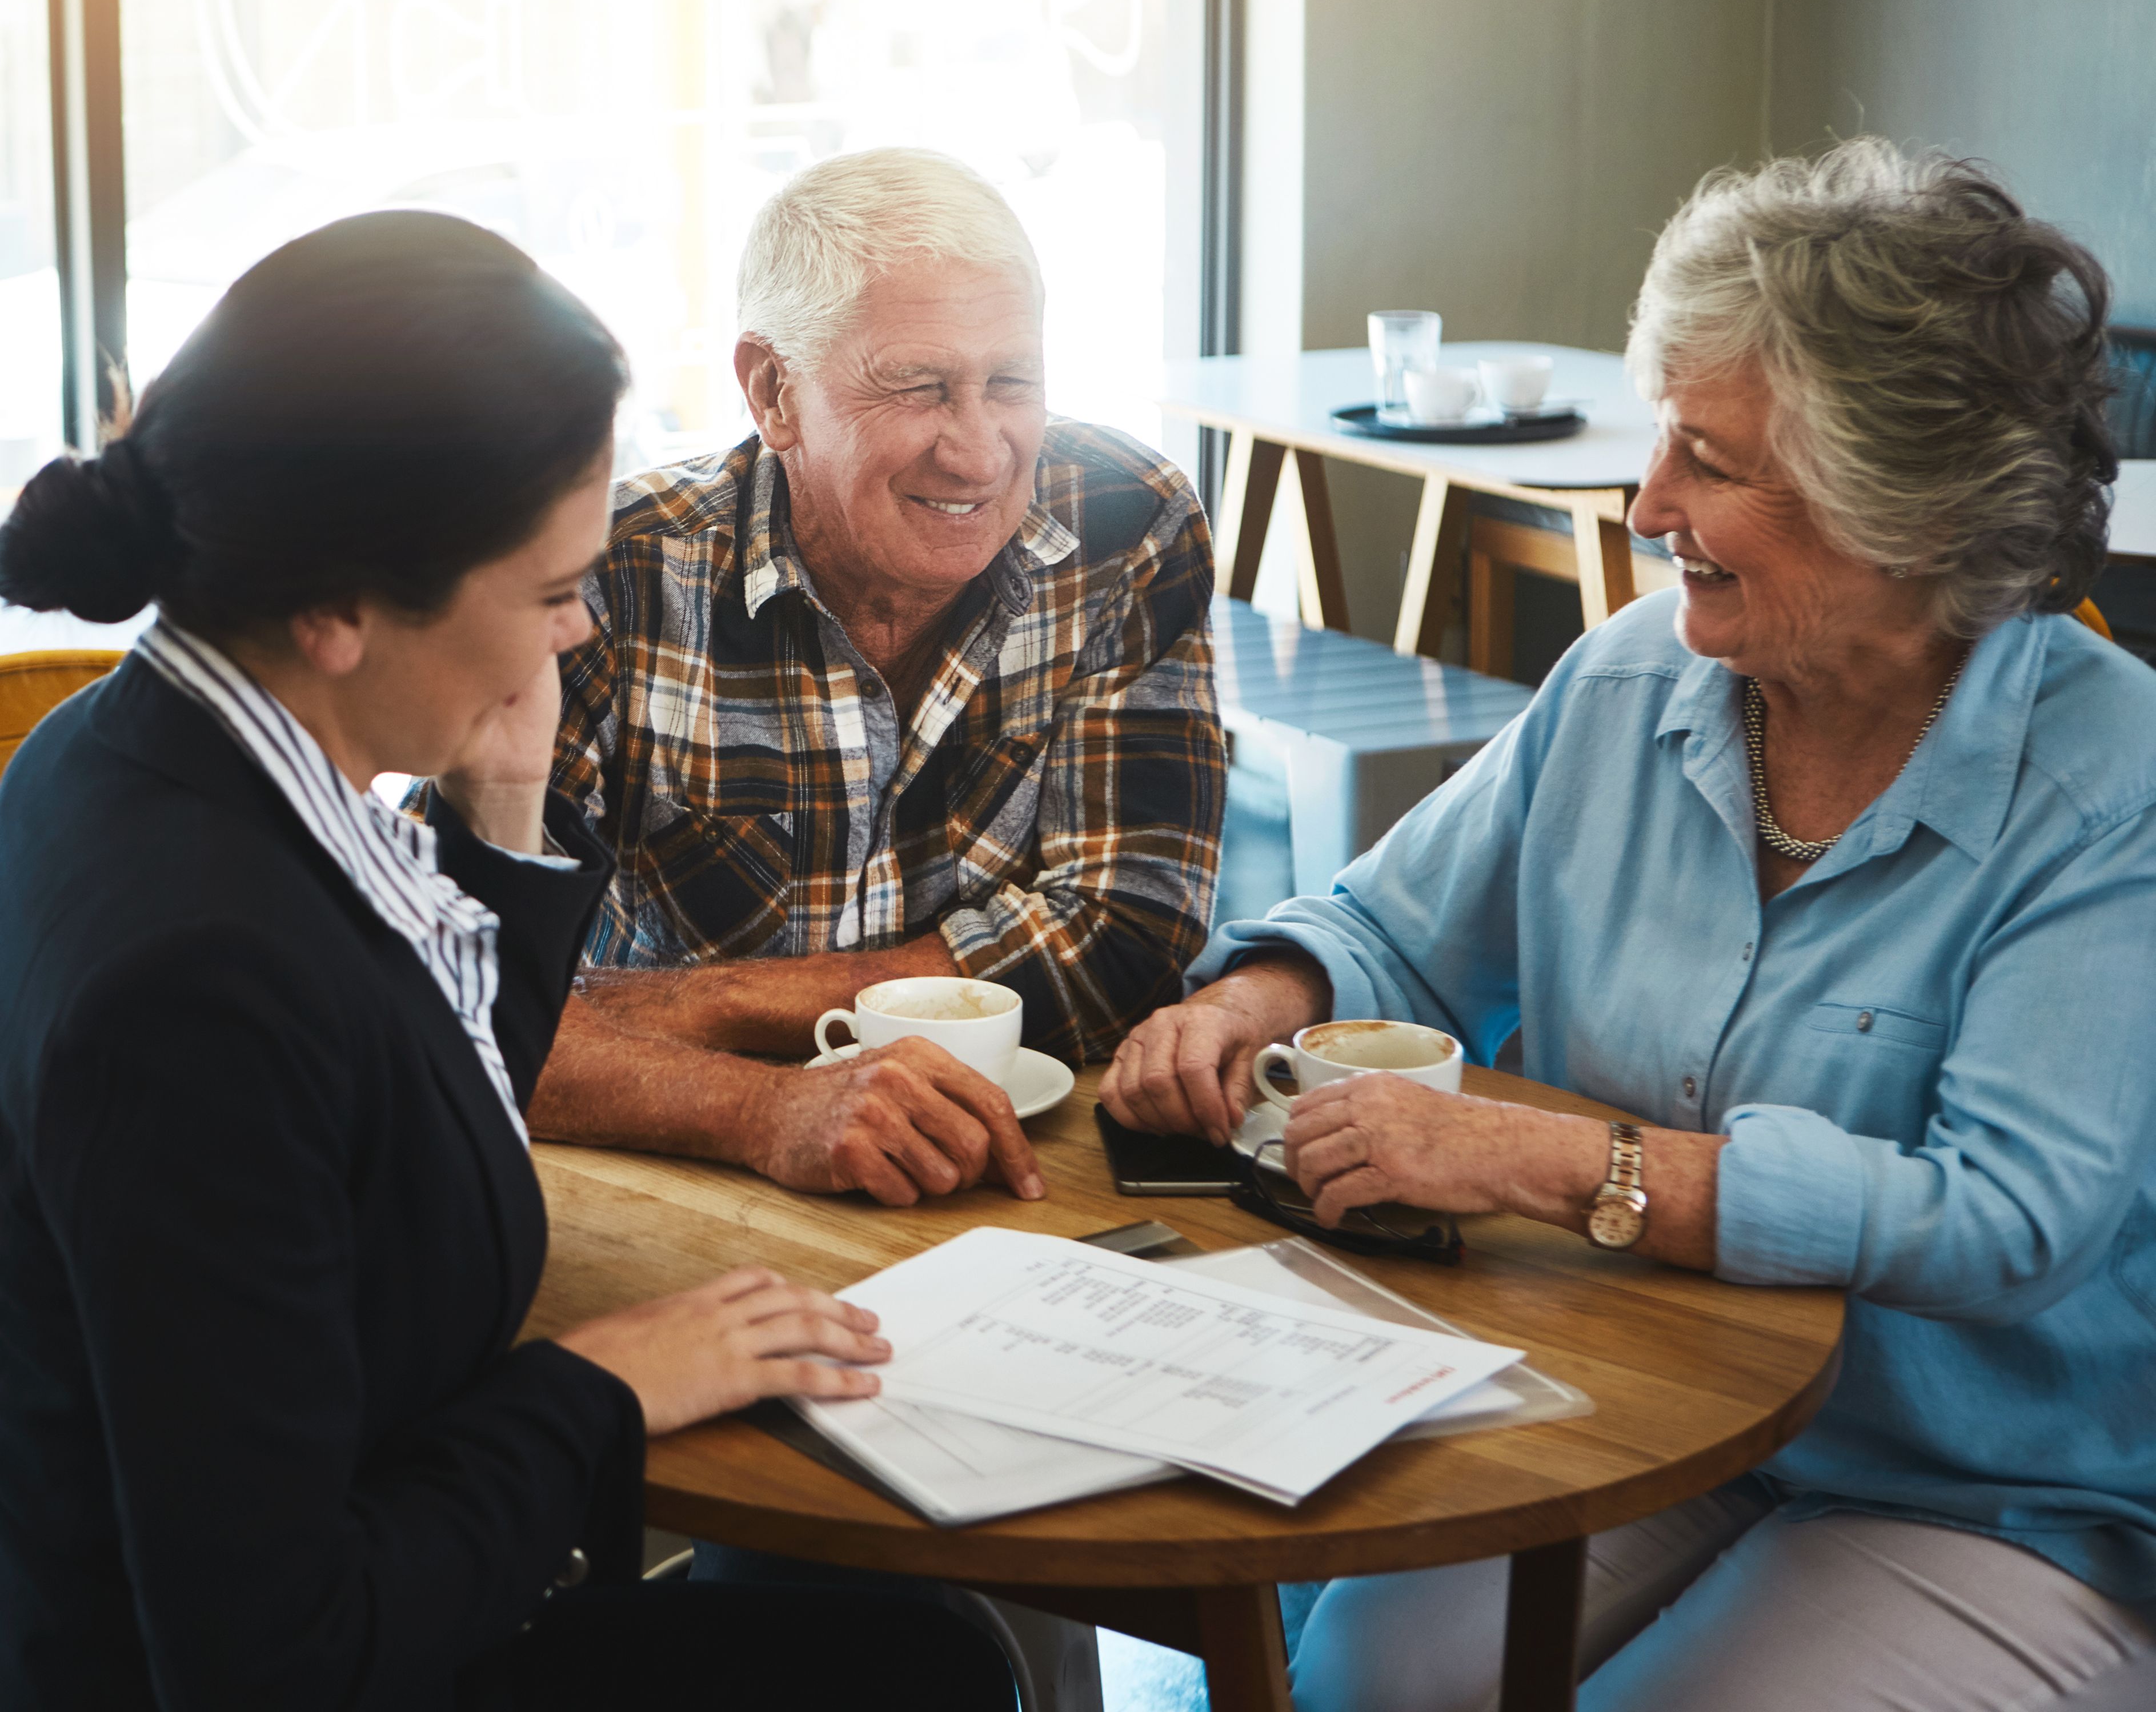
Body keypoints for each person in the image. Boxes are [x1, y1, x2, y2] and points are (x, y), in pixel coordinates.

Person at [1103, 140, 2156, 1712]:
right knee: (1370, 1682)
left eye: (1706, 460)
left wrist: (1559, 1166)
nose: (1647, 501)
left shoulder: (2105, 783)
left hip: (1983, 1488)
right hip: (1649, 1398)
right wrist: (1254, 998)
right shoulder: (1629, 679)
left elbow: (2007, 1219)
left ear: (1902, 511)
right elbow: (1390, 927)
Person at [0, 213, 1015, 1712]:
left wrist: (505, 816)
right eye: (549, 593)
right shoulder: (201, 989)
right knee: (919, 1676)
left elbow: (419, 1117)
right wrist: (601, 1388)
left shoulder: (118, 751)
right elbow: (275, 1654)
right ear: (339, 609)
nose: (581, 626)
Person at [519, 149, 1226, 1208]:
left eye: (1011, 383)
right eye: (918, 388)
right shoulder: (607, 575)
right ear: (773, 392)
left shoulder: (1127, 523)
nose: (979, 453)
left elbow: (1129, 934)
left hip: (1014, 1165)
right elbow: (449, 993)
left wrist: (696, 1005)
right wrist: (762, 1108)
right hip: (667, 1163)